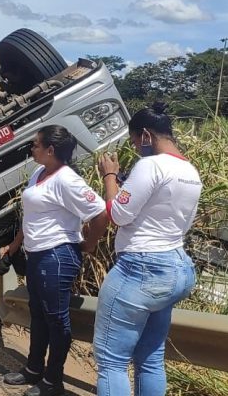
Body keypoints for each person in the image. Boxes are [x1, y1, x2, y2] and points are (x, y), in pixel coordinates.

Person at [87, 103, 202, 396]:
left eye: (135, 141)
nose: (136, 149)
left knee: (112, 361)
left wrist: (110, 176)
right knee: (150, 359)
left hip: (140, 270)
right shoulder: (190, 171)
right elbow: (181, 224)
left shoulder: (151, 165)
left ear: (147, 135)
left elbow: (118, 215)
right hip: (176, 267)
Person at [0, 125, 108, 396]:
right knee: (39, 315)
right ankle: (33, 369)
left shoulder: (66, 180)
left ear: (50, 150)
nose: (32, 148)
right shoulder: (39, 173)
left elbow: (100, 213)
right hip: (37, 255)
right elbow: (31, 216)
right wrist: (14, 247)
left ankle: (53, 381)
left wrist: (89, 245)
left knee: (56, 320)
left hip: (57, 256)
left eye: (36, 144)